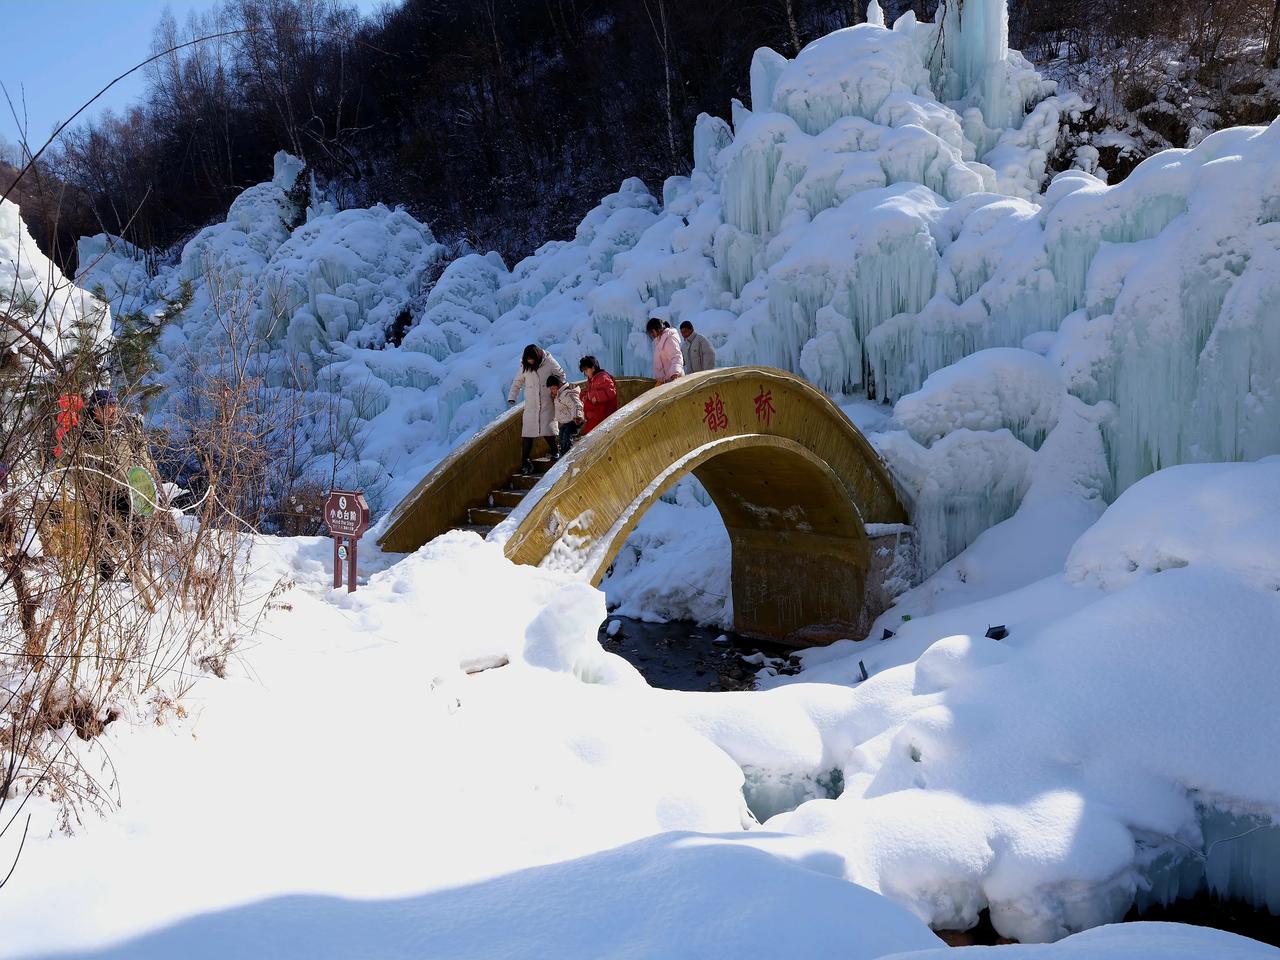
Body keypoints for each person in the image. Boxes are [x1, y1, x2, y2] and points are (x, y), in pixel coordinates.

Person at [508, 344, 565, 473]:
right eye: (528, 359)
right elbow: (517, 382)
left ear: (537, 356)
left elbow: (561, 375)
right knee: (527, 434)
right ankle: (525, 463)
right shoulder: (525, 366)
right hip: (531, 406)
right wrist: (512, 396)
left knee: (548, 430)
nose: (530, 361)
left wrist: (554, 388)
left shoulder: (549, 361)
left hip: (546, 402)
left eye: (532, 359)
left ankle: (555, 451)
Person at [546, 375, 584, 458]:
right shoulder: (558, 395)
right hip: (564, 422)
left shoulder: (567, 394)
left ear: (559, 385)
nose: (552, 391)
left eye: (553, 388)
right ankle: (563, 455)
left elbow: (577, 404)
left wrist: (577, 416)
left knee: (567, 438)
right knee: (562, 438)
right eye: (551, 389)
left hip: (573, 421)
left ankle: (567, 456)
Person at [578, 356, 618, 435]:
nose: (585, 373)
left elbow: (611, 392)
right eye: (584, 371)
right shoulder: (592, 379)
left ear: (593, 368)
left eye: (586, 370)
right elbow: (590, 393)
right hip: (596, 415)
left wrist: (595, 396)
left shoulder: (602, 377)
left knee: (588, 436)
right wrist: (585, 396)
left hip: (604, 415)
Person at [646, 317, 684, 385]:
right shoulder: (659, 341)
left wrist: (674, 373)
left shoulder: (669, 338)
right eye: (650, 333)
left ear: (657, 328)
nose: (651, 335)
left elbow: (676, 356)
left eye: (652, 332)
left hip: (674, 380)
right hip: (666, 382)